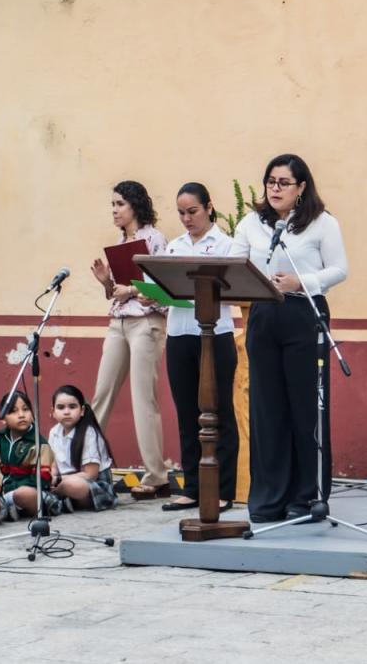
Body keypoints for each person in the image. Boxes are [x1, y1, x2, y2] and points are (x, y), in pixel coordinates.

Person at [227, 154, 348, 524]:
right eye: (270, 182)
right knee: (267, 410)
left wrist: (301, 282)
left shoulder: (322, 223)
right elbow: (233, 266)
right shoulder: (251, 223)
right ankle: (269, 498)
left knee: (304, 407)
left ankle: (306, 496)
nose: (275, 189)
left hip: (303, 313)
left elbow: (339, 270)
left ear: (301, 187)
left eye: (283, 183)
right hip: (263, 316)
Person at [88, 180, 171, 499]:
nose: (114, 210)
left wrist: (132, 290)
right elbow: (118, 293)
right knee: (101, 395)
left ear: (135, 205)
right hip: (118, 323)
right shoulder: (121, 241)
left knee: (143, 399)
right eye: (112, 205)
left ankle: (156, 476)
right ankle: (84, 465)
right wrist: (106, 283)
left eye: (120, 204)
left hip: (146, 324)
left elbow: (165, 288)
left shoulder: (155, 239)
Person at [162, 183, 238, 512]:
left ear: (209, 207)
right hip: (179, 334)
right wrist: (152, 293)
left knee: (219, 413)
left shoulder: (227, 245)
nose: (186, 219)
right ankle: (192, 487)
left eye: (192, 211)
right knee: (187, 413)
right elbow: (165, 288)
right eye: (181, 213)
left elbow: (233, 288)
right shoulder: (173, 247)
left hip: (215, 334)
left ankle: (224, 490)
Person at [48, 385, 118, 512]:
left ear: (82, 410)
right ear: (53, 411)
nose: (66, 412)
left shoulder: (89, 434)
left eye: (72, 407)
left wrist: (58, 480)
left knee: (72, 485)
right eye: (61, 407)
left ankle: (55, 497)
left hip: (93, 486)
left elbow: (90, 475)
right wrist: (51, 477)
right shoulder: (54, 432)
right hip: (63, 482)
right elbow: (54, 465)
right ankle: (61, 499)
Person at [0, 390, 54, 520]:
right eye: (13, 411)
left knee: (24, 494)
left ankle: (5, 510)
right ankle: (6, 509)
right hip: (1, 491)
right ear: (3, 419)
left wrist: (11, 489)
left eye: (25, 409)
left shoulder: (39, 443)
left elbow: (42, 478)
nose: (21, 415)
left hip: (31, 491)